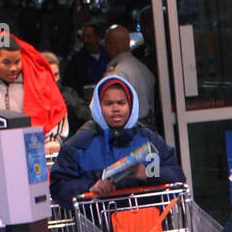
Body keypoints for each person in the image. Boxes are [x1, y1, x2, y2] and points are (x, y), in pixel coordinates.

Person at [48, 74, 183, 209]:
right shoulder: (81, 144)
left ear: (130, 105)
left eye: (121, 103)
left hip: (150, 223)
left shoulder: (148, 138)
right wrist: (91, 187)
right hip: (100, 226)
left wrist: (149, 173)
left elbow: (177, 175)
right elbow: (58, 186)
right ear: (98, 107)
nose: (116, 109)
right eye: (108, 104)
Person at [104, 25, 156, 128]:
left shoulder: (117, 72)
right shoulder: (144, 69)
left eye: (106, 44)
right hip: (147, 129)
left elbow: (114, 112)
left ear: (110, 45)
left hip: (129, 132)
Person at [41, 51, 91, 135]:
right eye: (48, 75)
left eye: (56, 75)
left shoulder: (68, 97)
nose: (53, 80)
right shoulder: (29, 98)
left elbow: (87, 117)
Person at [61, 23, 108, 96]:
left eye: (89, 37)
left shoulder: (107, 55)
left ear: (98, 37)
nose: (85, 40)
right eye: (83, 37)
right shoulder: (77, 60)